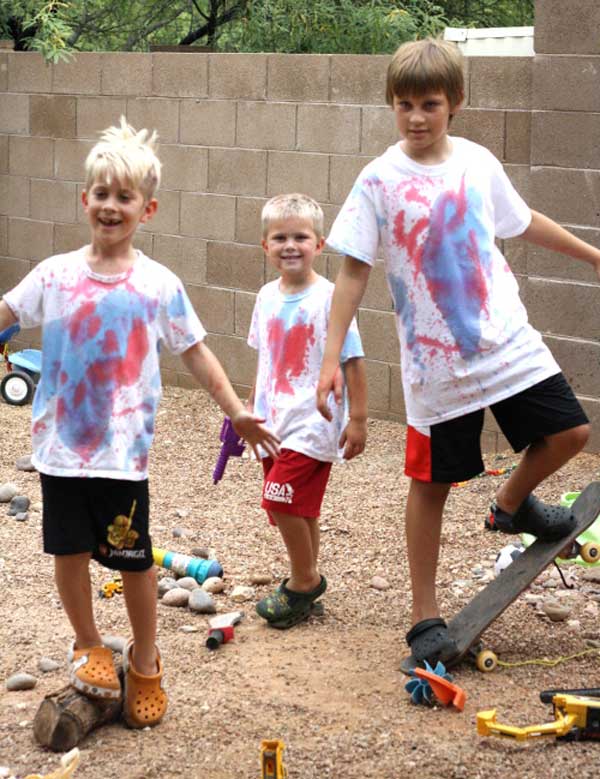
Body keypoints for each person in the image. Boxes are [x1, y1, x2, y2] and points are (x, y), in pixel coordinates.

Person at [316, 38, 600, 668]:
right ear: (392, 105)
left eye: (430, 104)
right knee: (432, 483)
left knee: (571, 433)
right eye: (404, 104)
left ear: (456, 105)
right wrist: (331, 357)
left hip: (506, 341)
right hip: (433, 367)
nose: (416, 117)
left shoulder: (476, 162)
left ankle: (510, 507)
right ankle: (424, 617)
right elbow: (353, 274)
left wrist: (593, 256)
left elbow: (522, 221)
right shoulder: (378, 180)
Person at [0, 117, 280, 726]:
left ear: (146, 209)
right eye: (101, 194)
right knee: (68, 554)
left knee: (133, 562)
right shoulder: (54, 274)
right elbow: (7, 312)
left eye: (124, 197)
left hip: (122, 456)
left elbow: (196, 351)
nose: (110, 206)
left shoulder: (158, 284)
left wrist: (236, 409)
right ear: (85, 200)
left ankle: (147, 655)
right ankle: (89, 643)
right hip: (59, 452)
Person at [247, 193, 367, 628]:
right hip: (271, 422)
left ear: (319, 244)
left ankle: (302, 582)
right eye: (280, 237)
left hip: (314, 421)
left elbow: (353, 359)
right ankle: (309, 581)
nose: (290, 245)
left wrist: (358, 419)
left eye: (301, 236)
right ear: (265, 246)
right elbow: (265, 360)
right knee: (299, 509)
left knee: (278, 500)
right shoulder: (264, 296)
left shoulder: (332, 298)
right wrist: (248, 408)